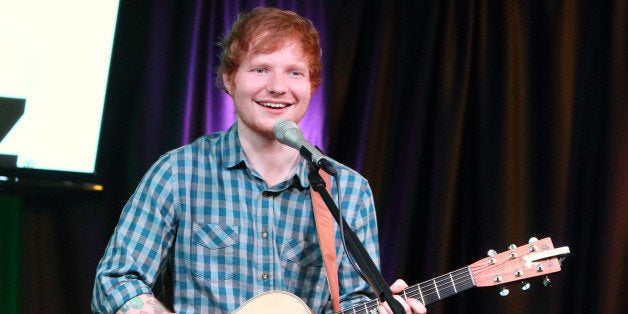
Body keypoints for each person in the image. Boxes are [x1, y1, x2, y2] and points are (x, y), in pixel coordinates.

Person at [92, 7, 426, 314]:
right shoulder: (178, 173)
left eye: (295, 73)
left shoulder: (347, 190)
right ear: (229, 78)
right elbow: (116, 281)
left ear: (312, 85)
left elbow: (356, 301)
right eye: (261, 69)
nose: (278, 87)